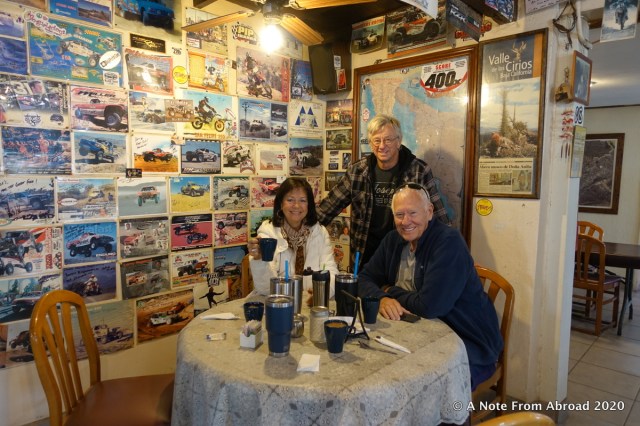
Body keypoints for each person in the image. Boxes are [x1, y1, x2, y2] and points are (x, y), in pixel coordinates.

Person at [357, 183, 503, 391]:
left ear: (429, 212)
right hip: (417, 332)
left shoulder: (448, 243)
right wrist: (382, 298)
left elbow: (430, 306)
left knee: (424, 385)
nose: (406, 221)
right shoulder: (392, 240)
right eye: (399, 215)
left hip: (468, 341)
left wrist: (391, 290)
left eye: (413, 213)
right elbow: (363, 278)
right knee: (376, 366)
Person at [317, 114, 450, 269]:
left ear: (398, 141)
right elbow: (327, 208)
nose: (382, 146)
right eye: (377, 140)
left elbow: (439, 219)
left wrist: (450, 252)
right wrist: (299, 227)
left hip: (405, 260)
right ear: (370, 143)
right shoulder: (357, 171)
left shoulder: (419, 171)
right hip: (364, 260)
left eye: (388, 140)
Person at [247, 178, 338, 303]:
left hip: (310, 303)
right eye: (290, 200)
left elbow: (331, 271)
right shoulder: (267, 233)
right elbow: (265, 289)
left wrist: (321, 293)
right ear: (281, 204)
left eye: (302, 200)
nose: (296, 206)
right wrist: (259, 259)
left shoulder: (319, 232)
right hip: (278, 303)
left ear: (309, 205)